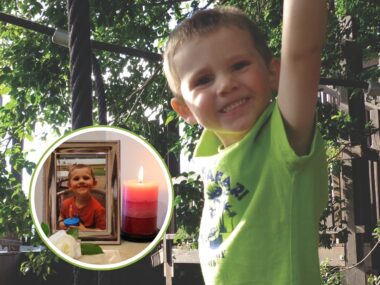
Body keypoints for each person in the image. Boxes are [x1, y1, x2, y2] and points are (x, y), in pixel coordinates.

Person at [163, 2, 327, 285]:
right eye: (203, 80)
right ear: (185, 110)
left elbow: (302, 54)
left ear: (273, 72)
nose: (225, 84)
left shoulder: (283, 139)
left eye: (239, 65)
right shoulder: (210, 155)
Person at [58, 164, 106, 230]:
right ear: (69, 185)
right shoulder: (65, 204)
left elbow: (102, 232)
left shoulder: (98, 209)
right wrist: (61, 223)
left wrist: (85, 230)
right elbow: (61, 218)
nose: (81, 181)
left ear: (94, 183)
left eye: (86, 178)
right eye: (76, 179)